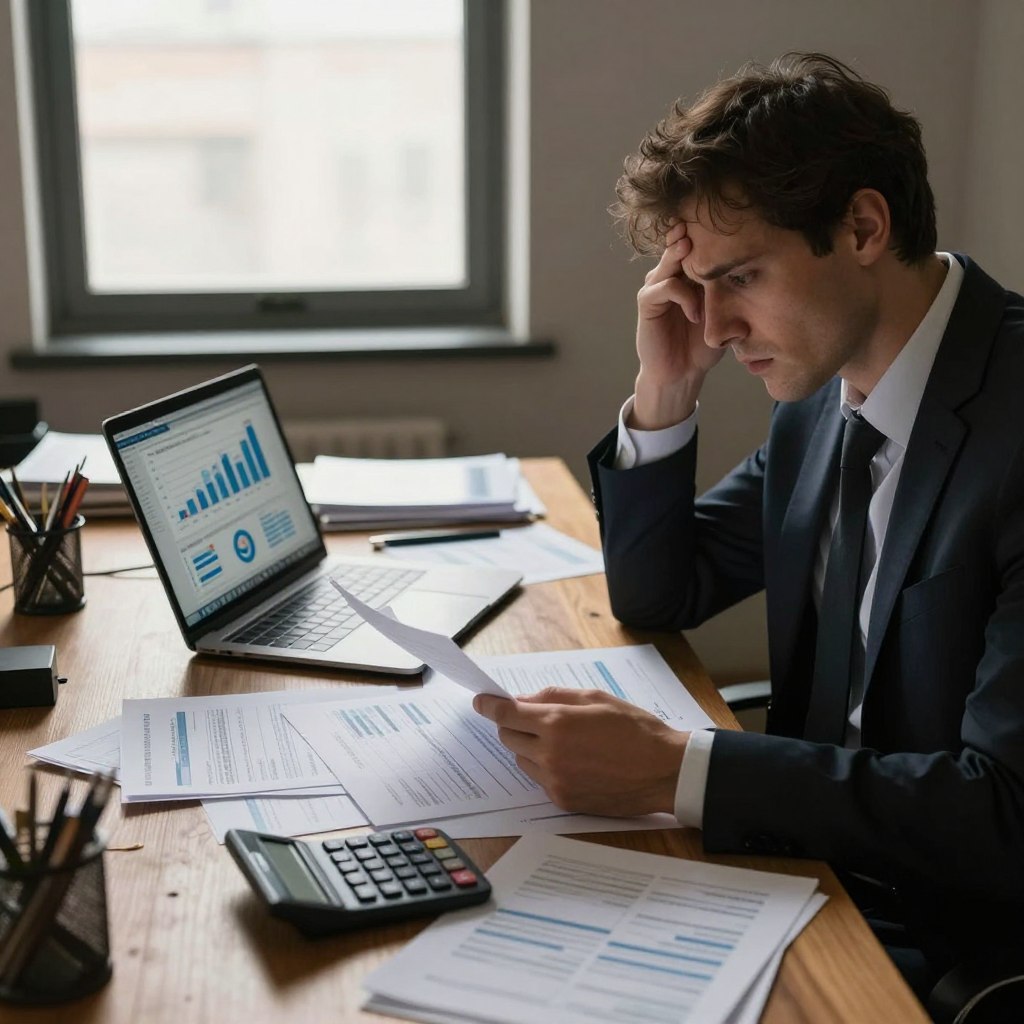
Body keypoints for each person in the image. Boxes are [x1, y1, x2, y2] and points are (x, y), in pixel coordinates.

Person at [473, 52, 1024, 987]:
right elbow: (661, 592)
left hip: (953, 947)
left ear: (861, 226)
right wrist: (666, 387)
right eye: (699, 286)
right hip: (802, 873)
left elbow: (1006, 815)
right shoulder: (827, 397)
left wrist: (679, 771)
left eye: (742, 278)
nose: (717, 325)